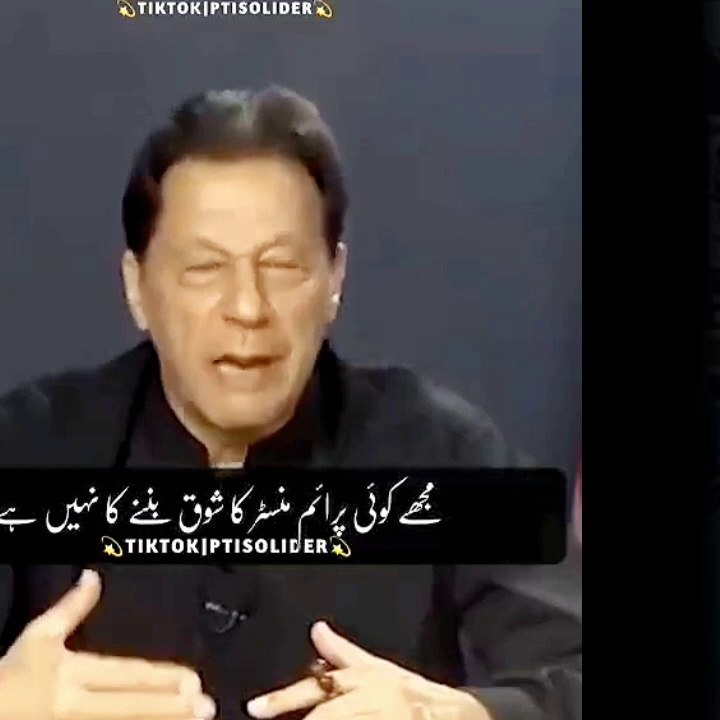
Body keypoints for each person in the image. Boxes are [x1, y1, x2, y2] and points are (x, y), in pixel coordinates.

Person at [0, 87, 581, 720]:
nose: (247, 308)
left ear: (334, 280)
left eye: (281, 267)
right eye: (204, 268)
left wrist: (462, 715)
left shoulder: (443, 451)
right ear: (137, 287)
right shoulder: (27, 447)